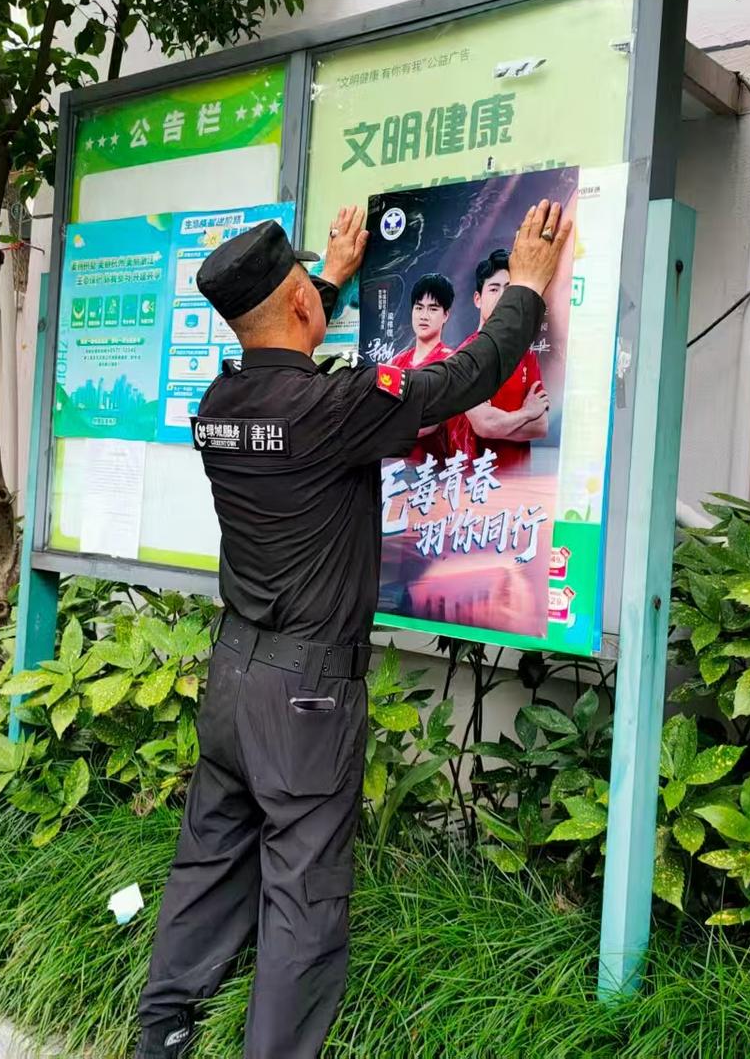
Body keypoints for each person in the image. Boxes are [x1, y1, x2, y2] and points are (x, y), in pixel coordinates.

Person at [135, 201, 572, 1059]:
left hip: (233, 677)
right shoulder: (331, 409)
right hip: (304, 699)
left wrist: (330, 275)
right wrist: (524, 284)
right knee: (303, 893)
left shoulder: (220, 403)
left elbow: (281, 341)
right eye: (311, 290)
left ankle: (164, 1030)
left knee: (210, 857)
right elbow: (465, 376)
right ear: (300, 305)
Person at [450, 248, 550, 473]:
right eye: (494, 289)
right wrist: (526, 414)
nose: (503, 297)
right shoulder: (465, 355)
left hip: (519, 483)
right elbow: (484, 425)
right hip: (476, 482)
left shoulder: (527, 356)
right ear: (478, 299)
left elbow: (541, 427)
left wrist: (501, 422)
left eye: (509, 289)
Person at [390, 273, 457, 465]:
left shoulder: (451, 361)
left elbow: (430, 423)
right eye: (419, 307)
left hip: (435, 470)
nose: (424, 316)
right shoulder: (396, 363)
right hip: (393, 470)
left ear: (446, 315)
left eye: (433, 309)